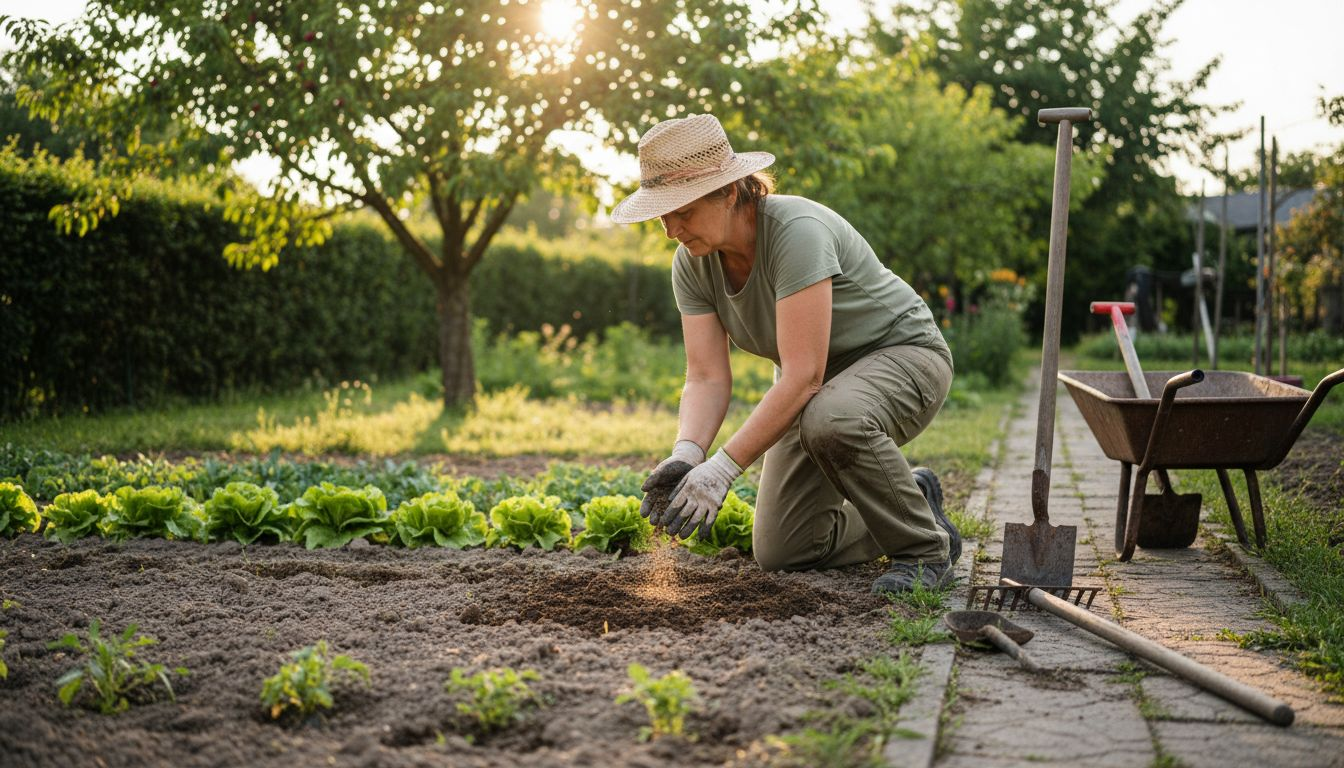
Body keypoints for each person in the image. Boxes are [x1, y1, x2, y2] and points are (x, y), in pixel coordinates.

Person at [610, 113, 959, 594]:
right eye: (662, 215)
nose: (671, 229)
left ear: (728, 191)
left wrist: (724, 469)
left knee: (833, 419)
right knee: (785, 551)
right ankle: (914, 499)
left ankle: (923, 550)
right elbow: (706, 377)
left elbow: (803, 376)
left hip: (903, 357)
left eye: (681, 212)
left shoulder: (797, 232)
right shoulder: (692, 263)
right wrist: (688, 455)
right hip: (815, 391)